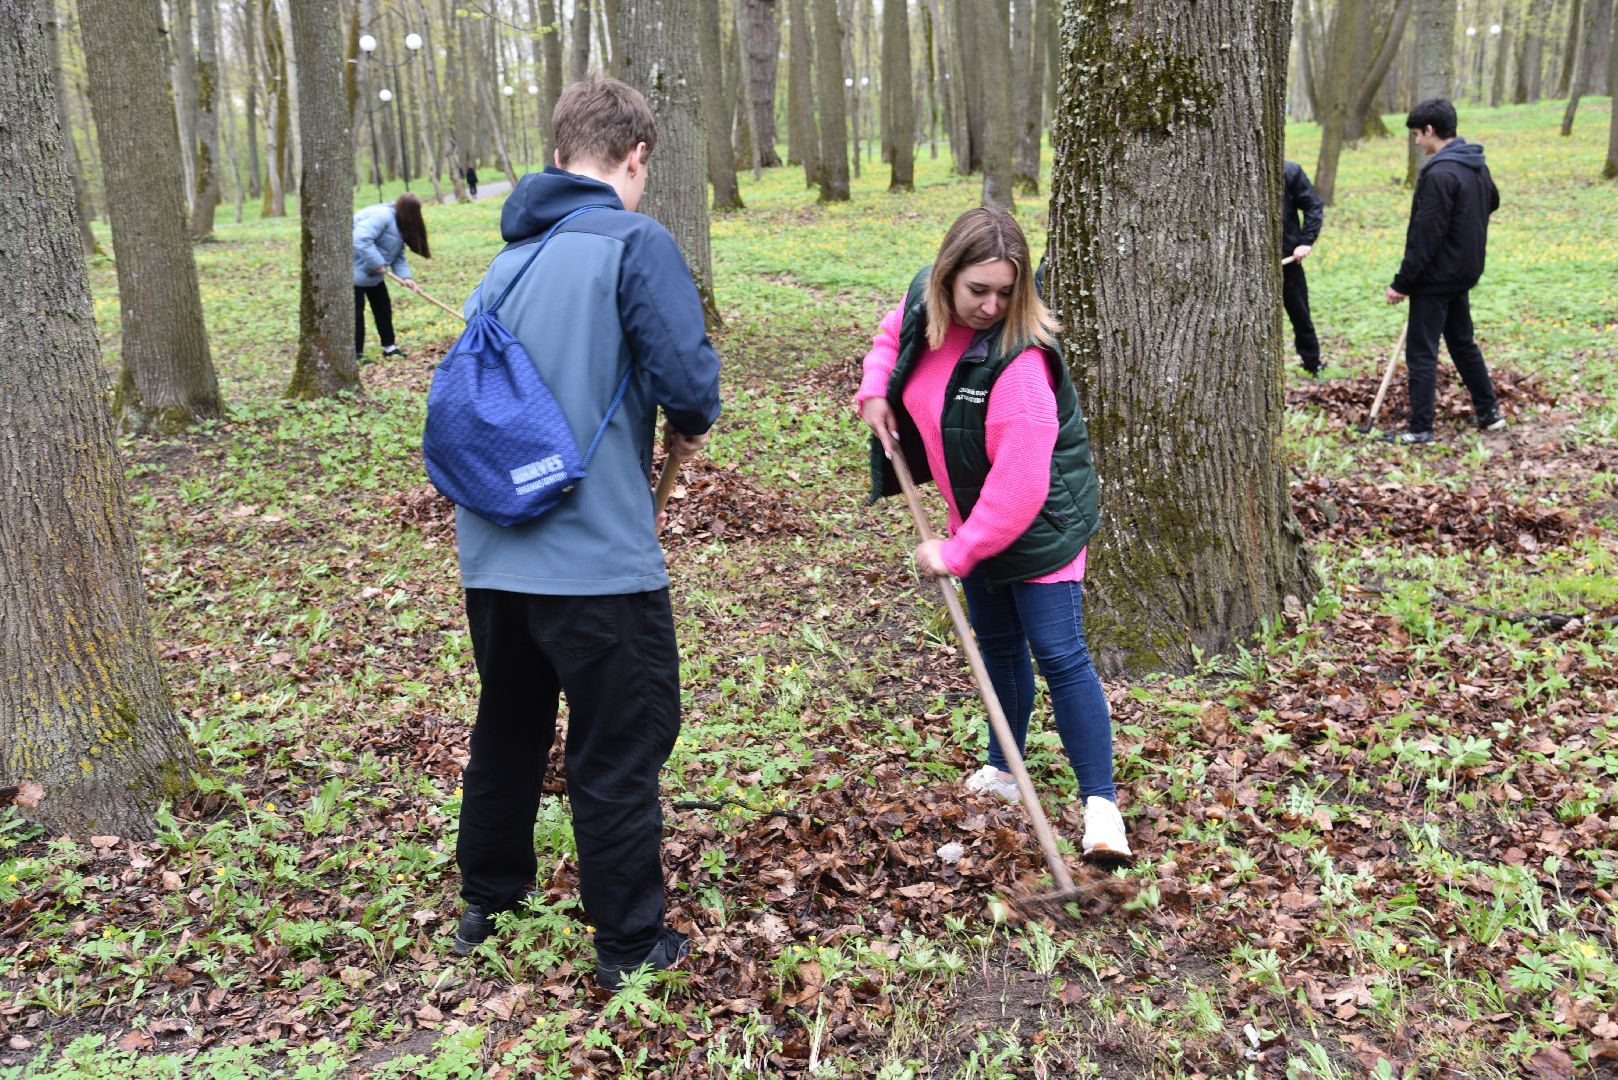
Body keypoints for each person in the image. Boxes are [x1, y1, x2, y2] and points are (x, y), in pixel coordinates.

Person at [448, 76, 722, 992]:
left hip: (493, 556)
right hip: (598, 562)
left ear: (560, 152)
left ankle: (489, 897)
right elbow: (691, 387)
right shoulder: (633, 243)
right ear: (635, 157)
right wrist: (684, 409)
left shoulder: (506, 261)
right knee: (623, 737)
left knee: (511, 723)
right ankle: (629, 942)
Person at [855, 207, 1130, 862]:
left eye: (1006, 292)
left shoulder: (1022, 365)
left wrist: (956, 552)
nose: (990, 304)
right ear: (947, 278)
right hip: (974, 514)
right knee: (1000, 647)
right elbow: (891, 339)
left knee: (1059, 655)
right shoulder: (926, 303)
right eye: (978, 289)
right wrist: (874, 389)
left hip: (1039, 526)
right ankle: (1003, 773)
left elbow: (1018, 490)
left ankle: (1102, 809)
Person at [1384, 98, 1505, 444]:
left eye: (1416, 134)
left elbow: (1426, 233)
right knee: (1462, 342)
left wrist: (1402, 283)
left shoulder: (1438, 173)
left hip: (1435, 278)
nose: (1416, 142)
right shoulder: (1475, 164)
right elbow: (1492, 201)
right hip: (1464, 272)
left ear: (1431, 130)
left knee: (1422, 352)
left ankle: (1420, 428)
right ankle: (1489, 412)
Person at [352, 193, 428, 362]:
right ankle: (355, 355)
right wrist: (378, 263)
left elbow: (397, 254)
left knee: (383, 308)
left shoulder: (399, 222)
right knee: (355, 314)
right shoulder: (382, 216)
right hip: (354, 270)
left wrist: (406, 277)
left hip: (374, 273)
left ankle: (390, 348)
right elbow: (360, 239)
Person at [1282, 160, 1324, 376]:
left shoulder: (1288, 171)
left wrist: (1305, 241)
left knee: (1300, 313)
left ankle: (1312, 362)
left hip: (1287, 259)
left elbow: (1313, 205)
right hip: (1244, 264)